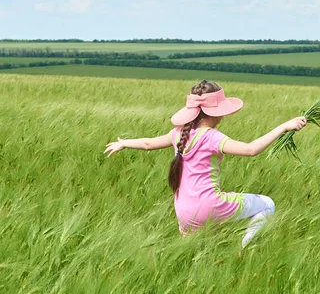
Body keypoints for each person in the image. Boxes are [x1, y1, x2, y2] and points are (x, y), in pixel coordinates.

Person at [105, 80, 307, 247]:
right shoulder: (212, 137)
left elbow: (148, 144)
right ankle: (244, 248)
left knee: (196, 251)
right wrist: (284, 126)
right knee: (267, 204)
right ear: (216, 112)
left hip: (183, 211)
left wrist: (124, 143)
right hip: (211, 205)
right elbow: (250, 149)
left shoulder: (178, 134)